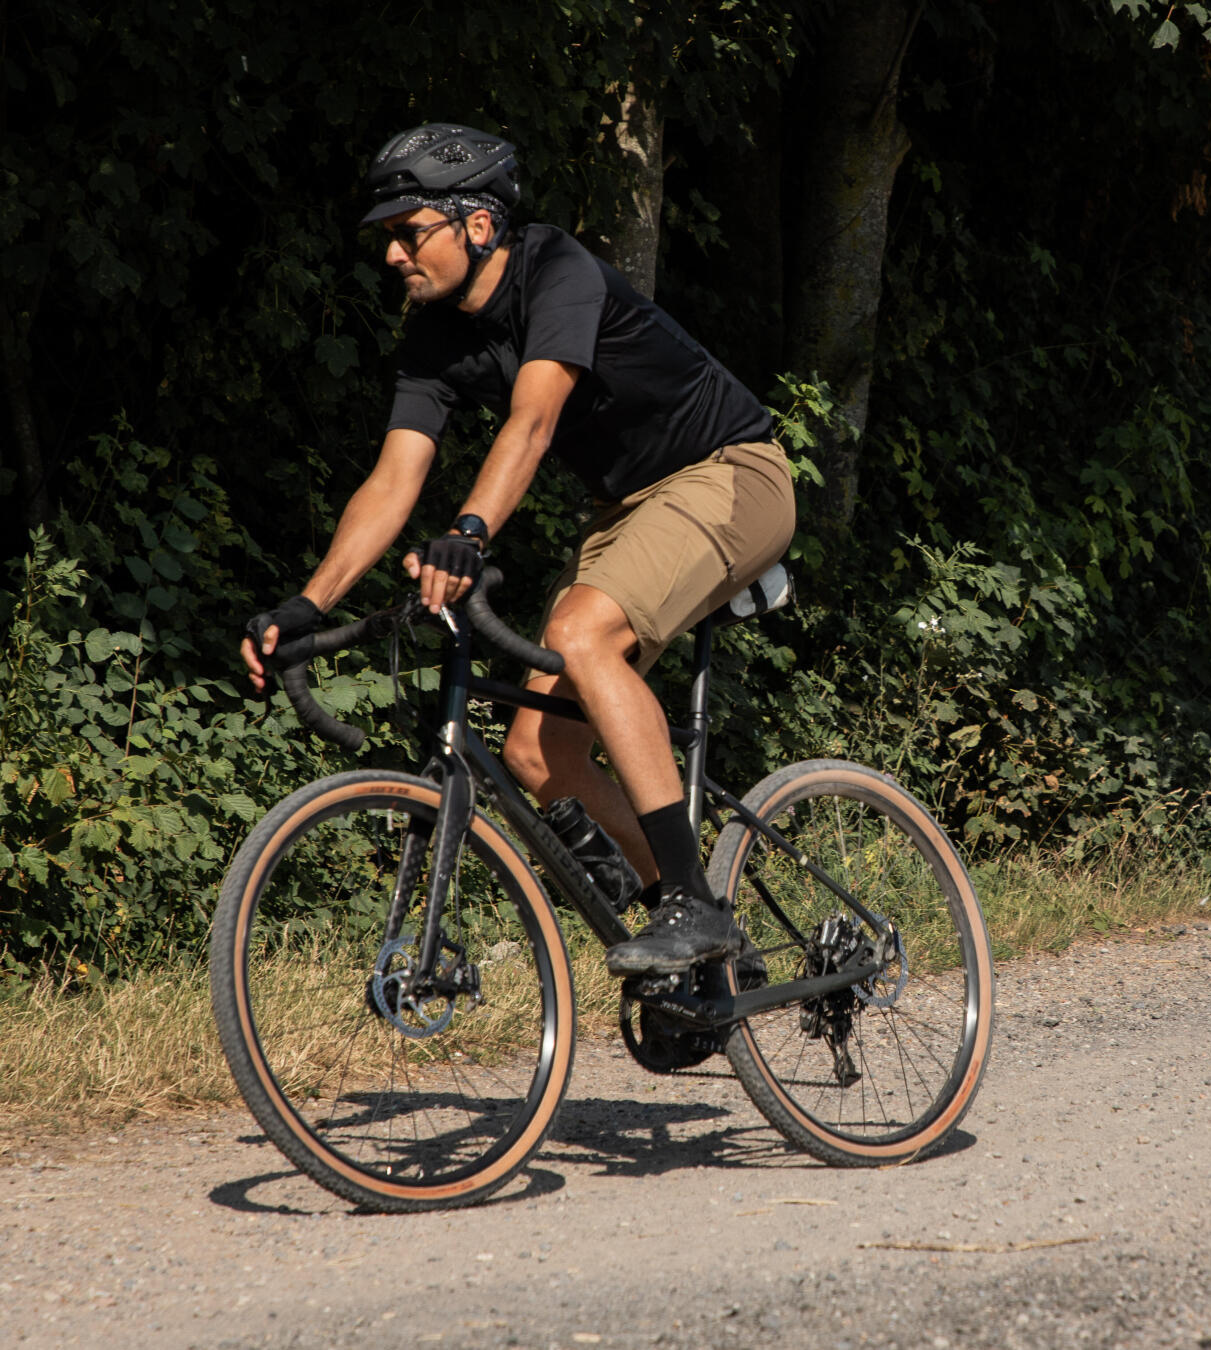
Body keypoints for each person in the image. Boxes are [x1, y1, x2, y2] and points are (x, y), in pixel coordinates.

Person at [240, 123, 795, 975]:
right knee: (538, 753)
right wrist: (307, 604)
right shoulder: (433, 337)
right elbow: (393, 481)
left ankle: (690, 905)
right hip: (626, 510)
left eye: (408, 230)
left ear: (479, 224)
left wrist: (467, 534)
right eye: (386, 236)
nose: (393, 254)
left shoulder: (556, 270)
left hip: (729, 474)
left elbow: (533, 422)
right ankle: (707, 951)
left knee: (581, 634)